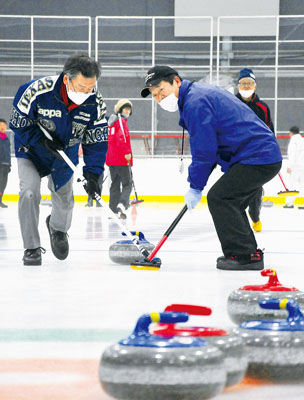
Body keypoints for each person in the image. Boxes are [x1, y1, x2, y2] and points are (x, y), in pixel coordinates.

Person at [140, 65, 282, 271]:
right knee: (231, 200)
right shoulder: (197, 95)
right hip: (259, 155)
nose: (159, 98)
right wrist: (198, 181)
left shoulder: (195, 103)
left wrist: (195, 186)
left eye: (161, 90)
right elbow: (213, 144)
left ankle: (244, 256)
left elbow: (204, 150)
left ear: (176, 82)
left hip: (257, 156)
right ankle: (248, 252)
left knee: (220, 197)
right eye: (154, 95)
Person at [9, 54, 108, 266]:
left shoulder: (95, 103)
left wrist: (93, 174)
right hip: (31, 150)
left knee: (64, 196)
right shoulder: (35, 90)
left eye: (91, 87)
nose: (86, 92)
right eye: (81, 86)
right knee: (29, 192)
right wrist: (40, 141)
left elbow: (96, 141)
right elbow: (18, 123)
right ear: (66, 79)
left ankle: (58, 229)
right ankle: (32, 247)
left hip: (65, 154)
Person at [236, 68, 275, 232]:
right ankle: (239, 223)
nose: (246, 87)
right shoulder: (231, 103)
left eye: (249, 83)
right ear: (238, 85)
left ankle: (255, 216)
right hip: (237, 154)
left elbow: (269, 131)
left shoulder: (262, 107)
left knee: (255, 190)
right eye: (243, 83)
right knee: (236, 190)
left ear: (255, 86)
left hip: (257, 155)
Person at [106, 99, 133, 219]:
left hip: (112, 159)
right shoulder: (121, 122)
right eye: (125, 109)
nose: (128, 111)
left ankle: (112, 210)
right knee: (128, 184)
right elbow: (122, 138)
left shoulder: (111, 122)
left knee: (115, 184)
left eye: (129, 109)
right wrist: (127, 154)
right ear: (120, 109)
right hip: (122, 159)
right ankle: (122, 204)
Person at [284, 126, 304, 208]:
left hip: (295, 167)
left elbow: (292, 155)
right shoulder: (302, 140)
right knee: (303, 185)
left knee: (292, 185)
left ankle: (289, 203)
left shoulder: (293, 141)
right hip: (303, 166)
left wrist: (289, 166)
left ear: (291, 133)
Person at [0, 118, 11, 208]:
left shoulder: (6, 138)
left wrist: (9, 164)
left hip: (6, 164)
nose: (2, 127)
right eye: (0, 125)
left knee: (3, 184)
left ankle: (0, 200)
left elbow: (8, 151)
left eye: (4, 125)